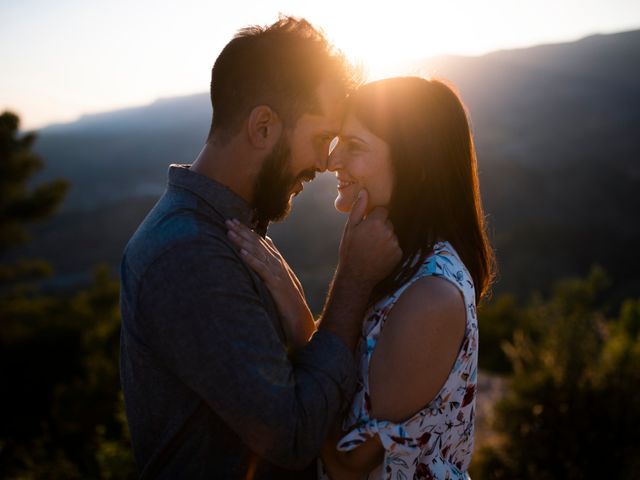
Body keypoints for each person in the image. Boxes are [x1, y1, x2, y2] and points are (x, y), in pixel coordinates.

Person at [119, 16, 402, 479]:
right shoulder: (189, 256)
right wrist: (351, 281)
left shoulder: (227, 229)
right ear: (264, 126)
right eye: (320, 138)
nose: (326, 162)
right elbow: (291, 436)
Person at [226, 76, 496, 479]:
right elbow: (346, 383)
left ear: (416, 165)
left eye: (355, 146)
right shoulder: (397, 265)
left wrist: (297, 311)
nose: (332, 161)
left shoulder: (432, 296)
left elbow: (348, 464)